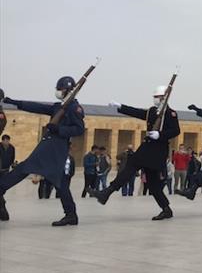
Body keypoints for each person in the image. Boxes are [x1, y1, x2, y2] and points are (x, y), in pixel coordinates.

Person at [0, 77, 85, 226]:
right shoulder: (61, 106)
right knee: (59, 181)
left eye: (60, 89)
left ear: (67, 90)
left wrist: (59, 129)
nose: (58, 92)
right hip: (49, 145)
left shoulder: (73, 108)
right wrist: (14, 102)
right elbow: (38, 107)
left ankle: (1, 188)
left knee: (25, 168)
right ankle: (71, 215)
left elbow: (79, 129)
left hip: (56, 147)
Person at [90, 86, 180, 220]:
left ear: (163, 98)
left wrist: (160, 134)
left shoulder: (171, 113)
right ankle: (166, 209)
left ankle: (107, 192)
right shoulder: (152, 111)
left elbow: (176, 130)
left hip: (158, 151)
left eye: (157, 97)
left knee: (138, 169)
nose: (155, 100)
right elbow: (137, 112)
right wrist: (120, 106)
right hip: (148, 147)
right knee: (149, 181)